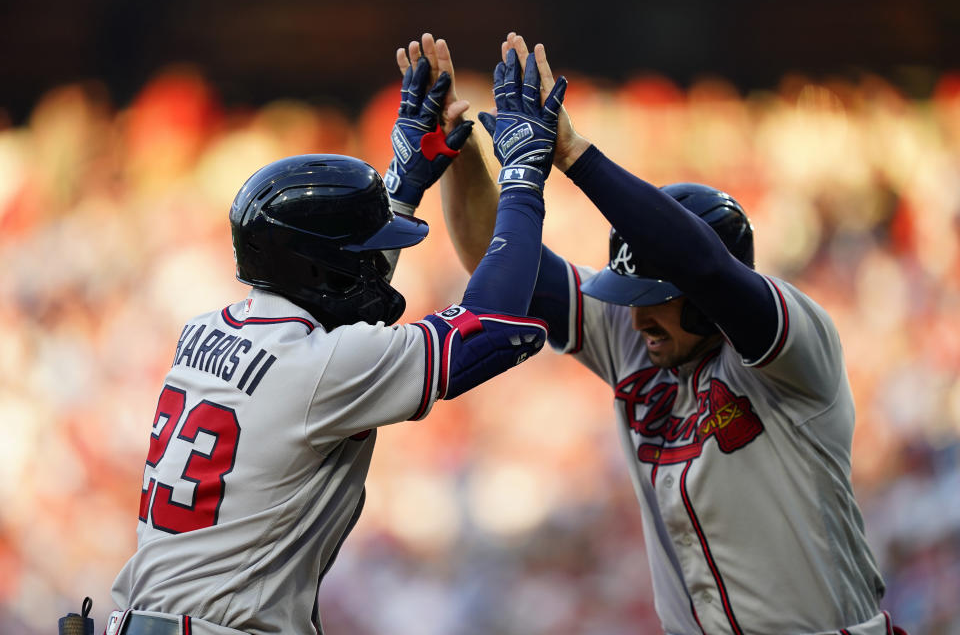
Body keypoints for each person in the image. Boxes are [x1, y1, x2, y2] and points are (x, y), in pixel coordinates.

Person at [437, 32, 906, 635]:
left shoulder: (796, 351)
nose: (635, 317)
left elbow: (702, 266)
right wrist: (458, 147)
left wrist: (575, 154)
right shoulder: (637, 342)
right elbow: (492, 255)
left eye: (655, 301)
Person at [103, 38, 566, 635]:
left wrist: (400, 182)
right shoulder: (317, 366)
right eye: (365, 256)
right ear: (320, 271)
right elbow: (494, 327)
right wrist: (525, 179)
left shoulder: (206, 331)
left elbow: (332, 311)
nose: (378, 268)